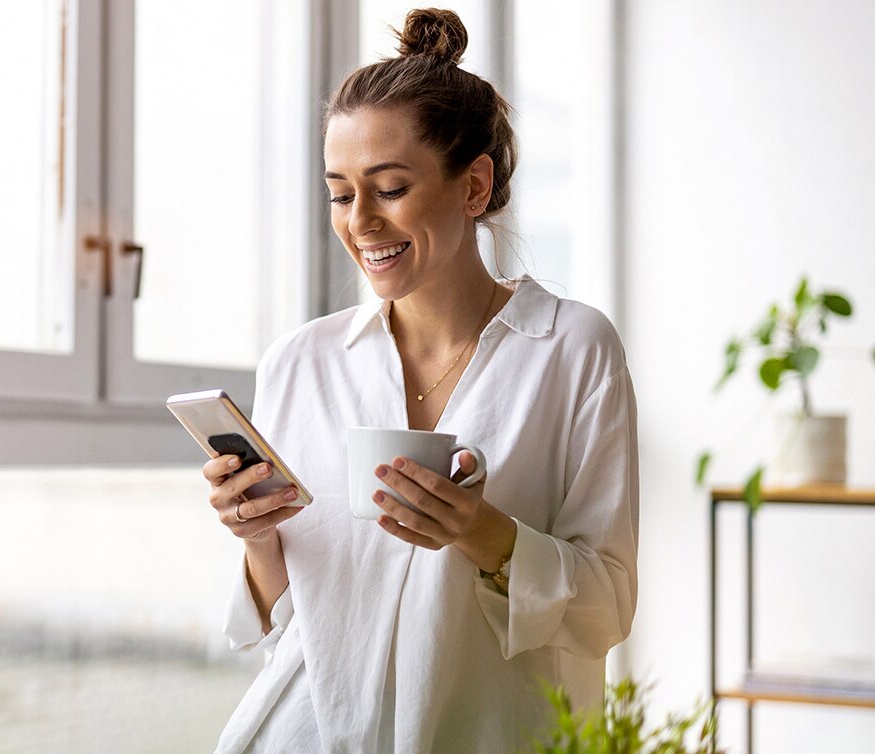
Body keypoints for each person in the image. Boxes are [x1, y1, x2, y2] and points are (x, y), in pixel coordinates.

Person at [201, 8, 639, 753]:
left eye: (391, 188)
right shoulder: (299, 364)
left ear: (474, 187)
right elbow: (281, 625)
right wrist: (257, 539)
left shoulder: (572, 349)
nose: (360, 221)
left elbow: (606, 612)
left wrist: (484, 534)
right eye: (341, 194)